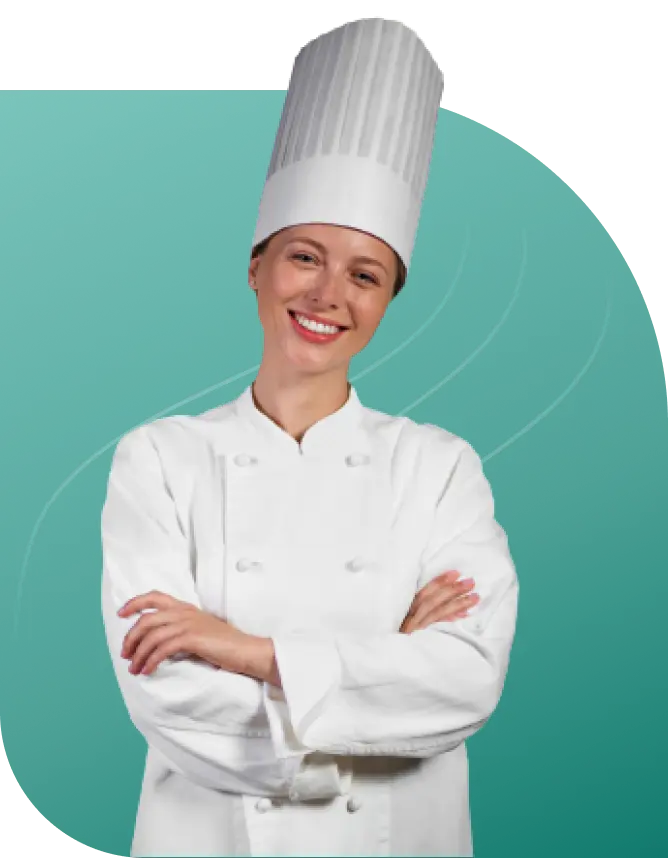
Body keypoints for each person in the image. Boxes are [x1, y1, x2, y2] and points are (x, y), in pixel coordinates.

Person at [101, 17, 519, 857]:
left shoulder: (440, 467)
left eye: (365, 274)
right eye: (303, 257)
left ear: (387, 301)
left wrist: (246, 651)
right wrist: (379, 677)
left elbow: (467, 681)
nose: (329, 294)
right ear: (255, 266)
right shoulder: (159, 458)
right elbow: (166, 695)